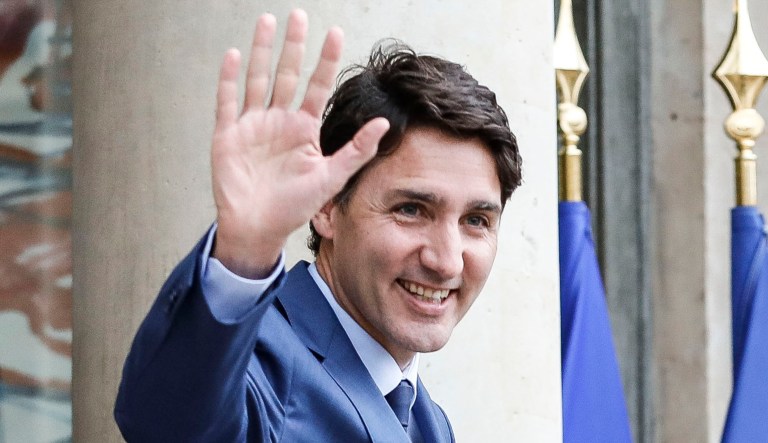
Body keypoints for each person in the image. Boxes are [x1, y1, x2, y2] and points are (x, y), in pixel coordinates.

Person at [115, 8, 522, 442]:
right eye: (411, 210)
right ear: (327, 205)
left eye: (476, 220)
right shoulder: (258, 365)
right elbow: (169, 423)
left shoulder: (430, 421)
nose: (446, 261)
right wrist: (243, 253)